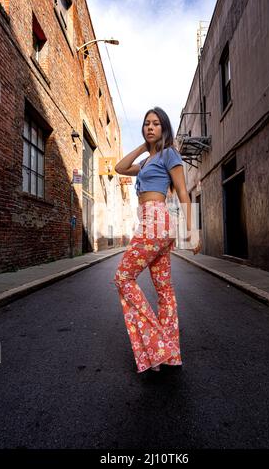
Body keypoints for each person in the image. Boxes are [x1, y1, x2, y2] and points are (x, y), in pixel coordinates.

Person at [113, 106, 201, 373]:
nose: (150, 127)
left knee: (122, 277)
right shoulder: (146, 162)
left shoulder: (169, 154)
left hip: (156, 220)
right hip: (151, 222)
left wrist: (193, 230)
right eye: (146, 124)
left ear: (164, 128)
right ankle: (170, 353)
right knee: (165, 290)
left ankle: (158, 343)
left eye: (155, 124)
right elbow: (119, 167)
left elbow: (184, 192)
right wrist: (143, 146)